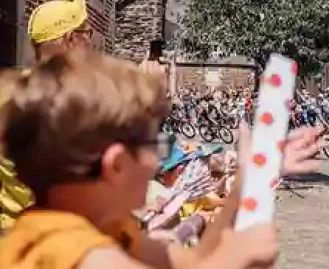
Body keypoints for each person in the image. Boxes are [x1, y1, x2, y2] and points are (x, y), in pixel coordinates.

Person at [0, 50, 284, 268]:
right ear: (117, 165)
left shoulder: (93, 228)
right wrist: (236, 259)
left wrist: (241, 189)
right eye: (152, 145)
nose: (156, 164)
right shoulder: (84, 257)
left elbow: (195, 261)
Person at [1, 0, 95, 231]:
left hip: (10, 228)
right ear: (71, 40)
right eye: (87, 33)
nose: (90, 42)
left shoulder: (9, 91)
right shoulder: (69, 102)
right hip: (57, 235)